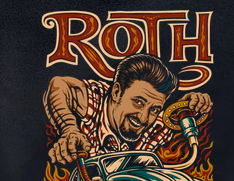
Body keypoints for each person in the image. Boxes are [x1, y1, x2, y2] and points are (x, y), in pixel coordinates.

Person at [44, 52, 212, 163]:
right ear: (116, 92)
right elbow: (59, 85)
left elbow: (176, 113)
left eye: (154, 109)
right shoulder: (96, 98)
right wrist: (69, 129)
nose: (144, 118)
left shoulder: (156, 126)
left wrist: (190, 105)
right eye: (138, 102)